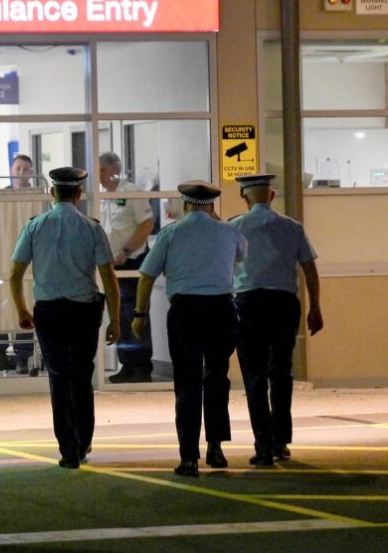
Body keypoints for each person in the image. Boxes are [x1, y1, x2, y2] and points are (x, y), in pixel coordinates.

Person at [132, 180, 247, 477]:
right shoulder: (229, 231)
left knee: (187, 382)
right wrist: (216, 223)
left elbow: (146, 276)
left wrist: (139, 314)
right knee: (217, 378)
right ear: (212, 206)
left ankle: (188, 457)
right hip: (222, 309)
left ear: (184, 204)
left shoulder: (170, 233)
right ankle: (217, 449)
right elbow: (241, 255)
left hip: (185, 312)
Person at [8, 167, 120, 469]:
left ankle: (68, 450)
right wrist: (116, 319)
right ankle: (82, 442)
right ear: (79, 194)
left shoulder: (34, 227)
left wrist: (21, 309)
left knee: (58, 378)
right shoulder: (92, 228)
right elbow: (109, 279)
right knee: (82, 376)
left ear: (51, 193)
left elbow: (15, 274)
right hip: (84, 311)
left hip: (49, 313)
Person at [229, 174, 324, 467]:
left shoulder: (234, 227)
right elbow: (309, 268)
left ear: (245, 198)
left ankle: (262, 445)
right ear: (271, 196)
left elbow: (223, 268)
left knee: (254, 375)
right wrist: (315, 307)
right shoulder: (292, 227)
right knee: (281, 372)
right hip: (284, 304)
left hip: (248, 304)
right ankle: (281, 441)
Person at [99, 152, 156, 383]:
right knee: (118, 315)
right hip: (111, 266)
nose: (98, 175)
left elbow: (147, 223)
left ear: (113, 170)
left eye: (101, 170)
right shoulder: (101, 196)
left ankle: (142, 366)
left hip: (132, 262)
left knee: (135, 312)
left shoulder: (131, 192)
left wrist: (126, 251)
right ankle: (127, 364)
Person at [0, 154, 38, 374]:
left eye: (26, 169)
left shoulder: (38, 198)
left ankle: (22, 357)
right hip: (2, 260)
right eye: (18, 168)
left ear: (32, 172)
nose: (21, 173)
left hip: (28, 262)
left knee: (25, 305)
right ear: (11, 170)